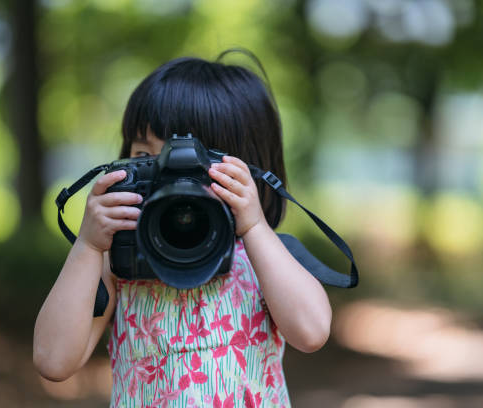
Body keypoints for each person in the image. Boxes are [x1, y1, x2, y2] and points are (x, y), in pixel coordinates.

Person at [33, 50, 332, 408]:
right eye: (146, 159)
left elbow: (312, 333)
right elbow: (53, 361)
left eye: (195, 163)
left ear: (251, 171)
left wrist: (253, 226)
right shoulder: (122, 261)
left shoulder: (265, 257)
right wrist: (88, 246)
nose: (171, 178)